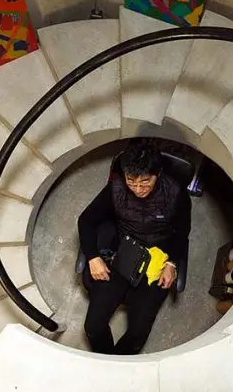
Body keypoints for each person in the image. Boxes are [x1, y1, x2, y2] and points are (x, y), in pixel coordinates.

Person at [77, 139, 191, 355]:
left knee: (138, 332)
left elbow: (182, 233)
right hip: (123, 253)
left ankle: (121, 362)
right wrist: (92, 256)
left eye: (145, 182)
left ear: (158, 174)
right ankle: (107, 360)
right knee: (93, 327)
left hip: (157, 260)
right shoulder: (116, 188)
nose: (138, 189)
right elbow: (86, 220)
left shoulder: (177, 195)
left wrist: (172, 263)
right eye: (132, 182)